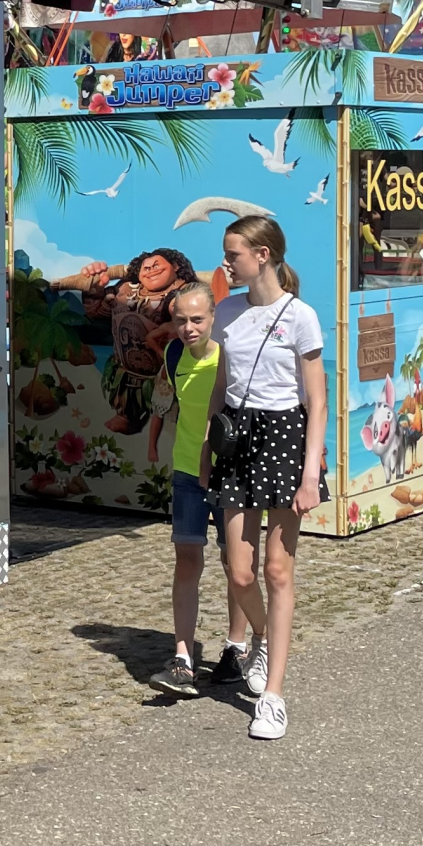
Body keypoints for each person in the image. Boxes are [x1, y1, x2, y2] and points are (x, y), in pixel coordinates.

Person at [205, 216, 326, 742]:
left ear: (263, 255)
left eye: (233, 254)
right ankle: (261, 637)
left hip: (283, 437)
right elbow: (219, 384)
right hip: (236, 434)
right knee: (239, 571)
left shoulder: (301, 317)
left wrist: (311, 472)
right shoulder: (227, 313)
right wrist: (209, 445)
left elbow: (316, 400)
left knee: (277, 570)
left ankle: (272, 695)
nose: (226, 263)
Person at [145, 280, 255, 696]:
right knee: (187, 560)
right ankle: (183, 658)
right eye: (180, 320)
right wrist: (154, 444)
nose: (188, 328)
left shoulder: (229, 355)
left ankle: (235, 648)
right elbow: (164, 400)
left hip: (230, 473)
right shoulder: (174, 354)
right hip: (188, 472)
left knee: (236, 565)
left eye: (196, 319)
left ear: (213, 318)